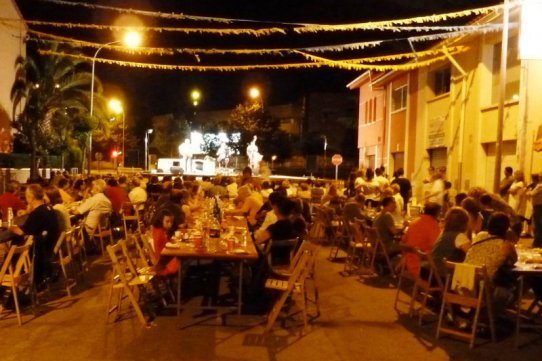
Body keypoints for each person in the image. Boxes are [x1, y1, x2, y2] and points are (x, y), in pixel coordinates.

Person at [9, 184, 60, 288]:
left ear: (31, 198)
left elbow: (25, 233)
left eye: (27, 196)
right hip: (48, 249)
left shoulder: (37, 213)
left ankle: (9, 281)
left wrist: (12, 227)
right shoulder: (48, 209)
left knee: (10, 251)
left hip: (36, 251)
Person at [464, 212, 517, 309]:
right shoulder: (506, 245)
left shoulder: (480, 236)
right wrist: (509, 238)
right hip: (485, 291)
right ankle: (494, 316)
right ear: (506, 228)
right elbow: (514, 259)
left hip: (465, 285)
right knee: (516, 286)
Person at [402, 202, 442, 275]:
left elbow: (404, 240)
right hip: (422, 266)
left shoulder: (414, 222)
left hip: (409, 262)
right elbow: (437, 246)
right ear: (437, 213)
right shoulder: (433, 225)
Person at [72, 179, 113, 248]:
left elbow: (77, 212)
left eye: (92, 187)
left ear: (96, 188)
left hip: (88, 228)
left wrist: (71, 209)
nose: (91, 189)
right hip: (102, 227)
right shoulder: (107, 200)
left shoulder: (94, 200)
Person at [431, 207, 471, 276]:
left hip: (434, 274)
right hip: (447, 276)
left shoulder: (443, 233)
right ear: (464, 222)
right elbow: (472, 254)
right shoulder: (460, 236)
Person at [151, 209, 179, 276]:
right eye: (167, 221)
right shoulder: (159, 233)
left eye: (171, 222)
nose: (170, 224)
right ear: (161, 220)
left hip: (163, 261)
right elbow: (162, 252)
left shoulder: (158, 230)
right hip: (163, 265)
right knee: (184, 260)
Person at [373, 196, 401, 261]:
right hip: (385, 245)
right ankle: (398, 267)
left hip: (377, 244)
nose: (396, 205)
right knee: (407, 247)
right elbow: (395, 233)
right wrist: (405, 226)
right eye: (394, 203)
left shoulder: (379, 214)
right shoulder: (387, 215)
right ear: (390, 204)